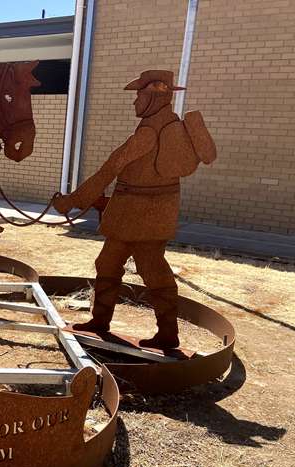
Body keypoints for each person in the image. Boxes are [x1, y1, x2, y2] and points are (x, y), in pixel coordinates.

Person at [54, 70, 216, 349]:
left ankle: (167, 334)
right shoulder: (166, 125)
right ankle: (100, 321)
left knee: (153, 270)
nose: (135, 102)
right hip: (139, 214)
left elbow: (111, 167)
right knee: (108, 262)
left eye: (139, 95)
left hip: (142, 218)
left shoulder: (149, 132)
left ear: (154, 95)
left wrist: (73, 200)